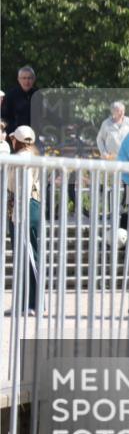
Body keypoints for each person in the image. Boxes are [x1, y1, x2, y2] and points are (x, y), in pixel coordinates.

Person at [4, 126, 40, 316]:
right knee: (25, 256)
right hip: (26, 205)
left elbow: (23, 187)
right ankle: (25, 302)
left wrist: (19, 214)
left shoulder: (21, 158)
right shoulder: (32, 154)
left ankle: (33, 303)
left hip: (23, 205)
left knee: (29, 257)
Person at [1, 66, 38, 131]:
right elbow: (4, 117)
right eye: (24, 78)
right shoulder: (10, 95)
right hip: (15, 134)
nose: (27, 81)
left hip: (35, 133)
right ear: (18, 79)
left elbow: (47, 114)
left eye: (29, 78)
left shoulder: (38, 95)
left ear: (34, 79)